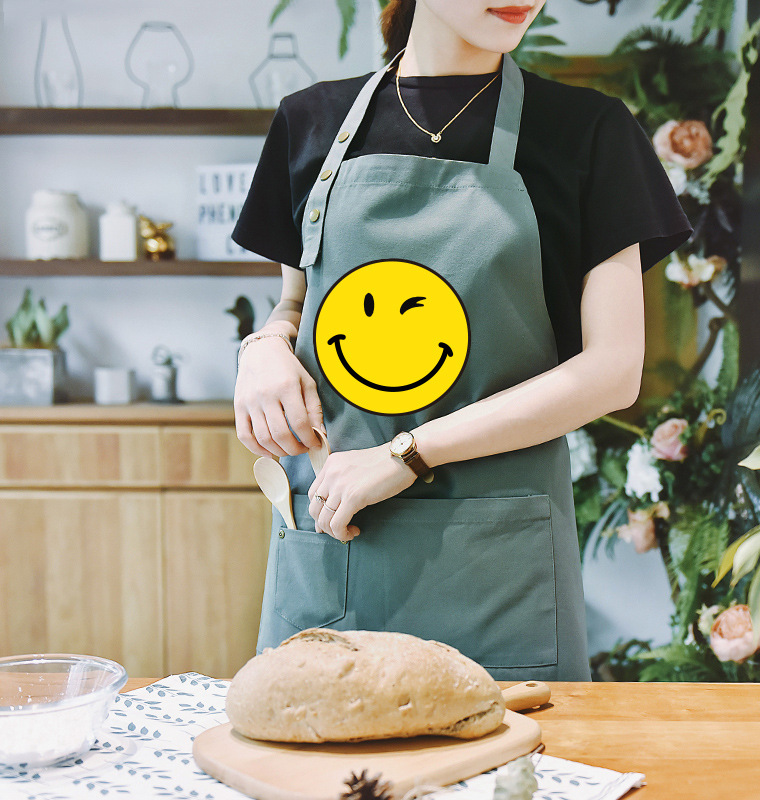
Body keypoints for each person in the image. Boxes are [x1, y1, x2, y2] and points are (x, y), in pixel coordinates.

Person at [230, 0, 693, 681]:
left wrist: (408, 453)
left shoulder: (589, 131)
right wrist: (264, 347)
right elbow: (297, 302)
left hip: (500, 572)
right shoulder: (310, 121)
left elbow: (613, 371)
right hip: (339, 539)